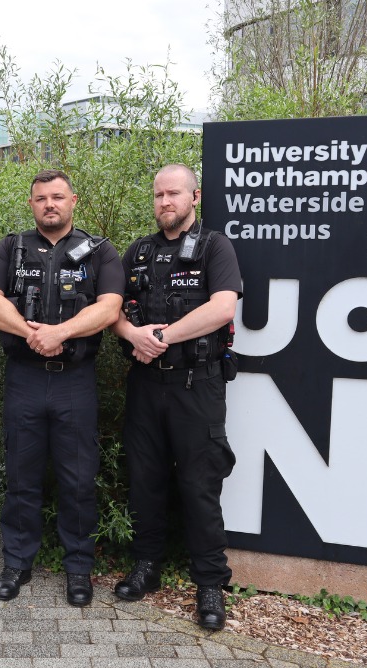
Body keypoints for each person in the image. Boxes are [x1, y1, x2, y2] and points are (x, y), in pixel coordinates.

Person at [0, 169, 124, 607]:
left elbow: (110, 307)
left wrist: (60, 333)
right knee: (21, 477)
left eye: (57, 197)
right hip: (24, 379)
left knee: (78, 479)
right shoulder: (11, 247)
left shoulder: (100, 251)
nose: (49, 204)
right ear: (31, 204)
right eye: (41, 198)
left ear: (73, 200)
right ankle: (16, 563)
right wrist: (30, 332)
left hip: (75, 382)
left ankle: (78, 568)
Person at [110, 163, 241, 631]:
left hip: (196, 386)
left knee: (199, 486)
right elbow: (112, 311)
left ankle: (209, 583)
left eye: (174, 194)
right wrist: (132, 332)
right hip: (146, 386)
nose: (165, 202)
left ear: (194, 196)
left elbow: (222, 307)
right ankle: (146, 567)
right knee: (145, 481)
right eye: (159, 195)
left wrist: (160, 335)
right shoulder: (138, 252)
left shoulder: (215, 246)